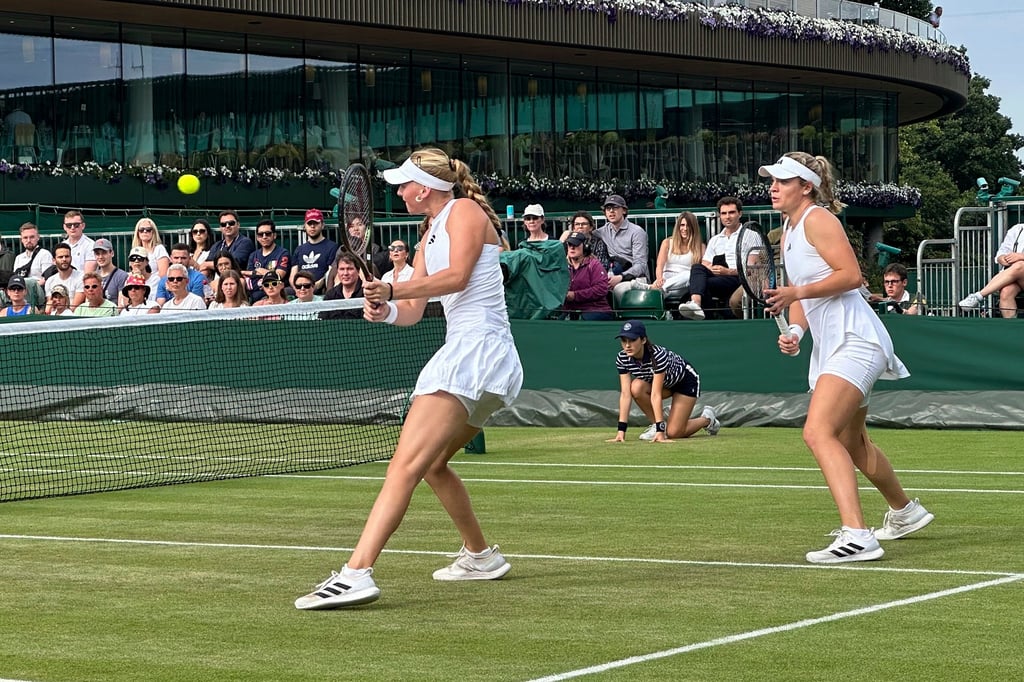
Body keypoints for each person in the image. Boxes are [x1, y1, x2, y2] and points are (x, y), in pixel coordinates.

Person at [295, 147, 523, 610]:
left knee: (402, 465)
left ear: (426, 188)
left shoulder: (464, 211)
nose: (398, 191)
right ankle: (481, 556)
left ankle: (356, 573)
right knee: (432, 465)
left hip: (475, 352)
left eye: (404, 184)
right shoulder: (426, 237)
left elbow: (458, 277)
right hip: (482, 360)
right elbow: (415, 312)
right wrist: (385, 309)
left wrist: (394, 286)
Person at [758, 152, 933, 564]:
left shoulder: (819, 219)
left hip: (855, 339)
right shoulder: (788, 228)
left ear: (806, 186)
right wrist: (797, 330)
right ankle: (905, 512)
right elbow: (804, 287)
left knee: (818, 432)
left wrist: (795, 294)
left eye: (782, 181)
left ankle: (857, 535)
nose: (773, 187)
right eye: (772, 181)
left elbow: (852, 276)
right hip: (832, 344)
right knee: (853, 441)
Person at [607, 320, 719, 443]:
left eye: (632, 340)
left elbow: (656, 394)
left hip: (685, 382)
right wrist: (621, 431)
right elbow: (625, 394)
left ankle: (707, 419)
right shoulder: (622, 358)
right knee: (636, 388)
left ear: (643, 340)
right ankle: (657, 425)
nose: (627, 345)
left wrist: (662, 432)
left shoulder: (657, 356)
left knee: (674, 433)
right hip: (665, 385)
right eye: (624, 341)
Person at [678, 197, 749, 320]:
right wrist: (713, 269)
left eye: (731, 212)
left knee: (702, 284)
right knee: (697, 267)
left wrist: (728, 271)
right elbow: (705, 263)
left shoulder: (750, 235)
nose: (727, 217)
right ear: (719, 216)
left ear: (740, 214)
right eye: (724, 213)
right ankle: (696, 303)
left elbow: (752, 269)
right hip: (718, 277)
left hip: (739, 278)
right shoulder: (715, 240)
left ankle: (704, 315)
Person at [959, 221, 1024, 318]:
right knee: (1006, 292)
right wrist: (1002, 258)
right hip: (1015, 276)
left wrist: (1021, 256)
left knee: (1020, 265)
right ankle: (1011, 329)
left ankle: (978, 296)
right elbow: (1001, 253)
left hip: (1019, 268)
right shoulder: (1018, 229)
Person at [639, 211, 705, 304]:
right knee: (664, 290)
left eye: (688, 225)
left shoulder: (700, 247)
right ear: (678, 227)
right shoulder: (667, 242)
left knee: (690, 274)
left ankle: (653, 288)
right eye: (682, 225)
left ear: (694, 228)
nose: (685, 228)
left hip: (685, 283)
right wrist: (659, 279)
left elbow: (701, 272)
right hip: (666, 279)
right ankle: (660, 290)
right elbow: (660, 265)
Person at [595, 194, 649, 301]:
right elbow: (583, 235)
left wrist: (621, 277)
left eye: (615, 208)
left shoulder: (637, 232)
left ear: (624, 211)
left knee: (617, 290)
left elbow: (641, 265)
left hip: (635, 278)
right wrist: (566, 234)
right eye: (608, 208)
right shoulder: (602, 231)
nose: (611, 211)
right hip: (612, 272)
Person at [564, 231, 613, 320]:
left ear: (585, 247)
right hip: (570, 311)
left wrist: (575, 295)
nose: (572, 247)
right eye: (569, 244)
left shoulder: (594, 265)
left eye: (576, 244)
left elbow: (601, 289)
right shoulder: (562, 265)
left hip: (595, 309)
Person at [289, 208, 338, 294]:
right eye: (309, 223)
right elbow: (292, 276)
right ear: (305, 226)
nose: (312, 226)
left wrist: (317, 285)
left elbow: (330, 274)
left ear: (322, 225)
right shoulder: (299, 249)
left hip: (320, 289)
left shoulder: (332, 247)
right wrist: (298, 289)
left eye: (315, 223)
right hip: (300, 288)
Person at [244, 218, 290, 302]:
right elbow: (250, 276)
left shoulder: (283, 253)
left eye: (268, 234)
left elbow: (278, 276)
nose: (264, 237)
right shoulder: (253, 255)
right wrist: (265, 273)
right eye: (261, 234)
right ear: (257, 237)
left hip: (274, 292)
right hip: (255, 292)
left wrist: (259, 270)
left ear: (274, 235)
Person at [202, 210, 255, 278]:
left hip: (237, 281)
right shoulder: (217, 245)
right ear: (220, 228)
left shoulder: (245, 242)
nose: (227, 226)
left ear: (238, 225)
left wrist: (207, 264)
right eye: (223, 224)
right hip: (218, 281)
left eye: (231, 223)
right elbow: (205, 266)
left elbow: (234, 263)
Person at [319, 253, 364, 320]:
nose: (345, 273)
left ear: (358, 271)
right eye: (342, 269)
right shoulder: (330, 295)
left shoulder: (367, 293)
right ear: (337, 271)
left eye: (350, 269)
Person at [44, 242, 85, 309]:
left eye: (67, 256)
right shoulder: (50, 281)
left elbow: (75, 307)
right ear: (54, 260)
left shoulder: (80, 277)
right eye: (60, 257)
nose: (64, 259)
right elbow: (51, 305)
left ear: (71, 258)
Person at [12, 222, 54, 286]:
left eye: (32, 237)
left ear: (38, 237)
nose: (28, 240)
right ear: (21, 240)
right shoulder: (18, 258)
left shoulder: (45, 254)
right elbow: (15, 278)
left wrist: (30, 288)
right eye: (25, 238)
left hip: (38, 290)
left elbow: (47, 278)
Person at [92, 238, 130, 304]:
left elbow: (121, 305)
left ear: (112, 253)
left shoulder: (122, 276)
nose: (100, 257)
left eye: (104, 253)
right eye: (97, 254)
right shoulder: (93, 276)